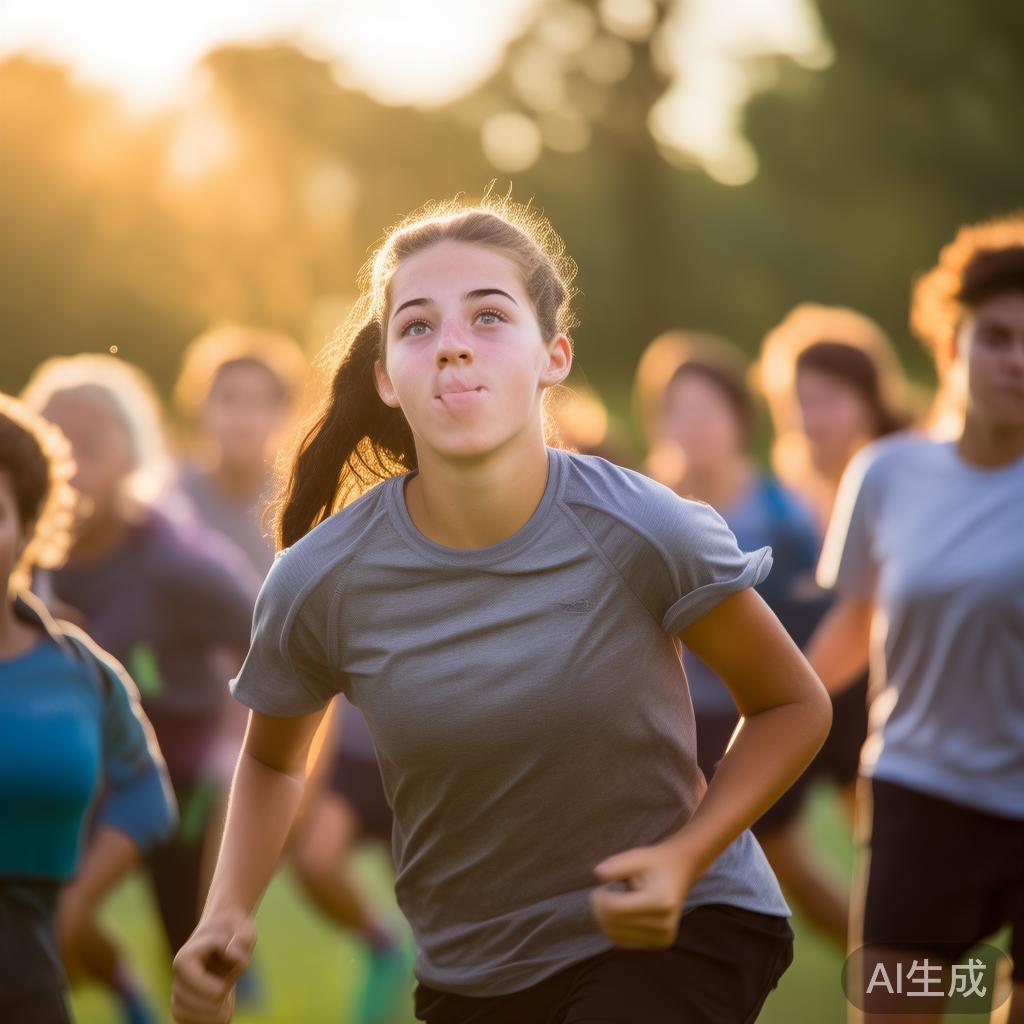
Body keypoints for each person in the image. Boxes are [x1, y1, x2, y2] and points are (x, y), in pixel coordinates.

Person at [171, 197, 833, 1024]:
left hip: (682, 926)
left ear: (552, 356)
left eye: (488, 316)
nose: (451, 342)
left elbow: (791, 703)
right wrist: (227, 910)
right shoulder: (322, 579)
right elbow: (273, 760)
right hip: (472, 971)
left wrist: (684, 858)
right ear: (385, 376)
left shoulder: (642, 527)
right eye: (416, 327)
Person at [808, 215, 1024, 1022]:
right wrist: (757, 728)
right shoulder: (888, 474)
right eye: (995, 336)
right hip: (920, 798)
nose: (1016, 358)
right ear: (950, 347)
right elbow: (855, 624)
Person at [174, 325, 408, 1021]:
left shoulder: (309, 495)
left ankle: (387, 947)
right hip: (208, 714)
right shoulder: (174, 500)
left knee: (317, 854)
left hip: (314, 714)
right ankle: (218, 945)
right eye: (227, 399)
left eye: (259, 401)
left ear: (283, 414)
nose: (242, 417)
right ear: (201, 408)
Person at [20, 355, 257, 1024]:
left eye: (89, 449)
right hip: (71, 772)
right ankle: (125, 991)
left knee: (185, 936)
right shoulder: (25, 556)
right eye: (53, 446)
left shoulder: (175, 563)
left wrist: (237, 745)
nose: (70, 470)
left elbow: (273, 639)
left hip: (174, 777)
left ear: (134, 456)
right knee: (51, 920)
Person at [0, 393, 176, 1024]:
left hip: (27, 970)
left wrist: (74, 904)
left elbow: (146, 794)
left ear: (26, 529)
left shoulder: (81, 671)